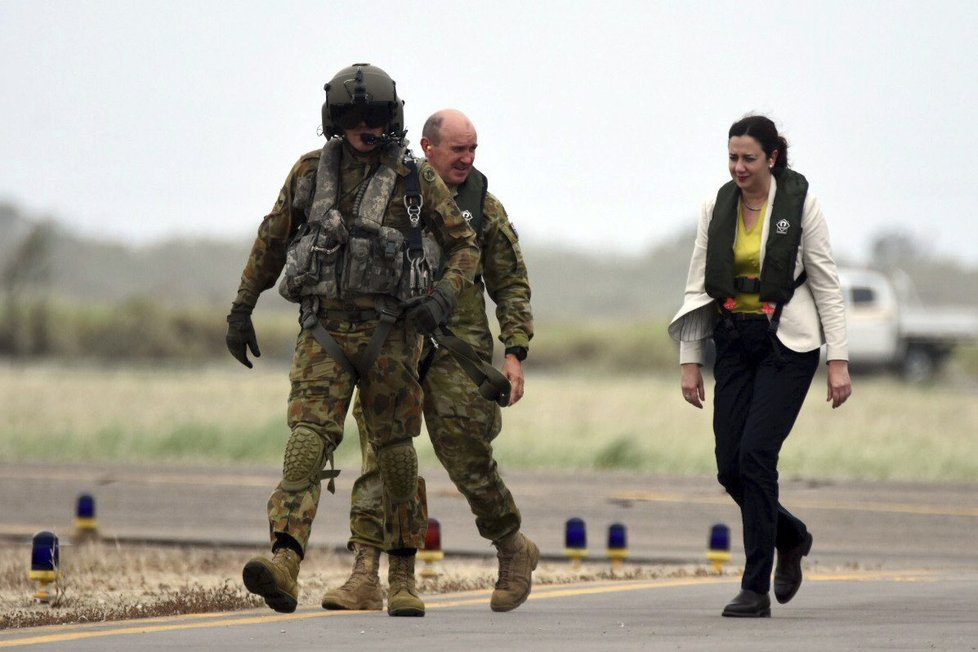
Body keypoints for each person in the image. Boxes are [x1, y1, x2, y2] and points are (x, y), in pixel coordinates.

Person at [225, 64, 479, 617]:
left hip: (392, 332)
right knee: (306, 442)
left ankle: (403, 576)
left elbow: (463, 247)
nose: (365, 128)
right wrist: (243, 306)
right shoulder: (311, 173)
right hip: (324, 328)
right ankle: (285, 561)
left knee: (395, 455)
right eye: (353, 118)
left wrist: (442, 297)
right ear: (334, 121)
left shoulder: (416, 180)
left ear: (393, 120)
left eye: (375, 118)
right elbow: (273, 237)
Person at [321, 108, 538, 614]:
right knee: (382, 452)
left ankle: (511, 546)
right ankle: (369, 575)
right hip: (390, 341)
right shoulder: (387, 192)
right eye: (457, 149)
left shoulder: (484, 208)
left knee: (463, 448)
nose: (466, 158)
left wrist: (514, 352)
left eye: (473, 150)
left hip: (457, 347)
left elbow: (511, 284)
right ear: (428, 147)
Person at [668, 115, 852, 618]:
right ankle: (791, 535)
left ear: (772, 157)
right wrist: (690, 362)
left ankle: (755, 588)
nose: (739, 167)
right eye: (732, 157)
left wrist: (838, 359)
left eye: (749, 158)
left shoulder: (801, 205)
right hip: (733, 342)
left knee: (755, 456)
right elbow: (696, 284)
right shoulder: (716, 206)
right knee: (730, 467)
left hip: (788, 347)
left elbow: (826, 284)